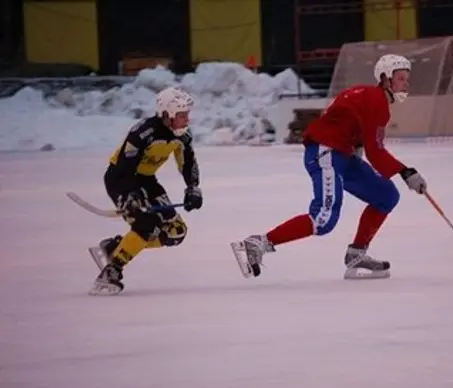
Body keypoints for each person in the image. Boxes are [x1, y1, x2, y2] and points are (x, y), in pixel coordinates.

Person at [232, 54, 427, 279]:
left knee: (386, 195)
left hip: (342, 155)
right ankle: (257, 244)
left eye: (406, 79)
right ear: (385, 79)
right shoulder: (377, 101)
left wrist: (355, 144)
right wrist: (406, 171)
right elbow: (376, 151)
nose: (406, 83)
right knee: (323, 219)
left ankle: (357, 253)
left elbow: (345, 120)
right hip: (327, 153)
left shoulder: (366, 95)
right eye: (401, 78)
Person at [89, 87, 203, 295]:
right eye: (182, 115)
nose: (187, 120)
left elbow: (188, 163)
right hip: (121, 179)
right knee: (146, 226)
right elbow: (125, 165)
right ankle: (112, 270)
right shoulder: (143, 133)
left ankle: (117, 247)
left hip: (147, 180)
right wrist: (131, 196)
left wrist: (193, 187)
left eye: (187, 115)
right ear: (167, 114)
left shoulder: (183, 136)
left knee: (176, 232)